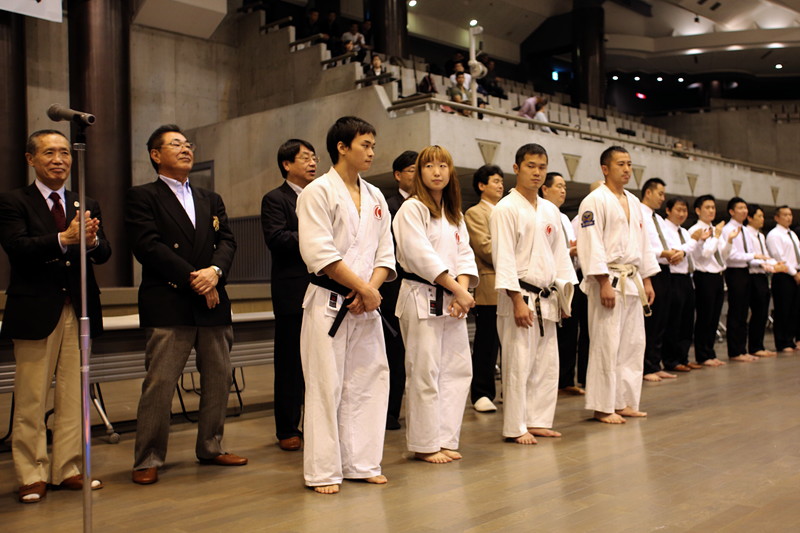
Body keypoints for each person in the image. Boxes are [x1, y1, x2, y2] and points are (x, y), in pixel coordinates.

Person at [126, 124, 246, 486]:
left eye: (188, 144)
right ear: (155, 154)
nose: (186, 149)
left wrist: (215, 272)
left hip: (213, 300)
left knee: (219, 378)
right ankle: (147, 456)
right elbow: (148, 246)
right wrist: (196, 279)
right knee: (160, 383)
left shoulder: (211, 198)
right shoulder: (142, 196)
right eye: (176, 144)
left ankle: (211, 445)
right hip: (170, 300)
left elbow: (227, 240)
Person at [0, 130, 110, 503]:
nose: (59, 159)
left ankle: (68, 468)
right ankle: (32, 474)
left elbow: (104, 251)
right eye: (50, 152)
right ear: (31, 159)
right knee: (31, 397)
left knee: (74, 395)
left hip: (78, 310)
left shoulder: (85, 201)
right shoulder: (14, 201)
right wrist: (64, 238)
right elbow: (17, 247)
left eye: (65, 152)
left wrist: (91, 240)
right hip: (35, 309)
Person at [296, 116, 394, 494]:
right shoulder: (317, 192)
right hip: (328, 301)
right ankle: (323, 471)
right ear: (342, 146)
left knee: (370, 381)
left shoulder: (376, 196)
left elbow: (386, 252)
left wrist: (370, 289)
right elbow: (318, 251)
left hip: (365, 303)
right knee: (326, 386)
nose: (371, 151)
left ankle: (362, 462)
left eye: (372, 145)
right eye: (365, 144)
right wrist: (362, 289)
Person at [393, 145, 477, 464]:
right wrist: (459, 290)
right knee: (424, 371)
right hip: (422, 297)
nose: (437, 171)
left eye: (443, 165)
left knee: (457, 370)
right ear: (419, 173)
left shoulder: (453, 214)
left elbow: (465, 255)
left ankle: (445, 437)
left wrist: (462, 292)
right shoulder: (411, 209)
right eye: (429, 166)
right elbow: (420, 256)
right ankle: (425, 443)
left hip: (453, 299)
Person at [492, 144, 577, 443]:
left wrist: (564, 298)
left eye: (542, 166)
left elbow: (561, 259)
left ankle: (538, 419)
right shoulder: (505, 208)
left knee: (546, 363)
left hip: (547, 298)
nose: (537, 172)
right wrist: (516, 300)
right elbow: (503, 257)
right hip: (520, 296)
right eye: (530, 166)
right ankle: (516, 426)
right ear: (516, 168)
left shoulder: (551, 210)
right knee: (518, 365)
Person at [576, 146, 659, 424]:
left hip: (633, 280)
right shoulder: (593, 201)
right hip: (608, 279)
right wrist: (602, 281)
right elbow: (591, 244)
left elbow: (643, 244)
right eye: (620, 164)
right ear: (605, 168)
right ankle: (603, 406)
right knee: (605, 344)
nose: (626, 169)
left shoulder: (634, 202)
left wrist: (646, 279)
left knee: (633, 344)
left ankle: (624, 401)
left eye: (629, 164)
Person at [260, 139, 318, 451]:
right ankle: (286, 428)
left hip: (324, 289)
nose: (312, 163)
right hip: (292, 292)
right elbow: (278, 238)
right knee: (290, 364)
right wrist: (317, 238)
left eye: (314, 158)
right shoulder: (275, 199)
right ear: (287, 164)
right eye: (305, 158)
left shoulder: (320, 196)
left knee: (319, 362)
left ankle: (315, 422)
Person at [540, 172, 588, 395]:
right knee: (554, 334)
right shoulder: (541, 214)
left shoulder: (565, 219)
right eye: (558, 186)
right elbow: (549, 249)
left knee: (571, 332)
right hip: (551, 281)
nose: (562, 191)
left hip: (572, 279)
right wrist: (571, 250)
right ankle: (553, 381)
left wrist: (574, 249)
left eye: (564, 187)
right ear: (545, 189)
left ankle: (567, 379)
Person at [381, 150, 418, 430]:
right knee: (394, 353)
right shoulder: (389, 205)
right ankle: (390, 411)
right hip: (395, 287)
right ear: (398, 175)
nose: (418, 175)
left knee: (419, 353)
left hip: (427, 290)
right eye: (412, 170)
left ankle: (418, 410)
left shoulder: (432, 205)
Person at [464, 165, 505, 413]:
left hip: (513, 284)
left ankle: (510, 390)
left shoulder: (507, 210)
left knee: (511, 344)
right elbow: (485, 248)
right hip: (490, 284)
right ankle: (481, 392)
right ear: (481, 185)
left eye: (502, 182)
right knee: (487, 342)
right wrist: (518, 256)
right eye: (495, 181)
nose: (500, 185)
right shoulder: (474, 213)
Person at [639, 178, 679, 382]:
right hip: (649, 269)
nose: (663, 198)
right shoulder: (639, 214)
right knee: (650, 319)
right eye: (660, 194)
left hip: (664, 268)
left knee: (663, 318)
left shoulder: (659, 219)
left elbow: (668, 244)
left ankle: (656, 362)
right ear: (648, 192)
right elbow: (641, 246)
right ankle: (646, 366)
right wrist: (662, 252)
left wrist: (675, 253)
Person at [688, 195, 734, 367]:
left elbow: (723, 254)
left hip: (718, 275)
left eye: (713, 207)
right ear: (698, 210)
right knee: (704, 316)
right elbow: (705, 253)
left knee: (715, 316)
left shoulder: (716, 231)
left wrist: (727, 240)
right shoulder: (695, 230)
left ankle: (710, 352)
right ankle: (702, 355)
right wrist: (716, 236)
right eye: (707, 207)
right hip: (703, 276)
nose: (711, 210)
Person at [661, 198, 703, 372]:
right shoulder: (663, 228)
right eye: (678, 210)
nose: (682, 214)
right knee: (673, 321)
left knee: (687, 320)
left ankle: (683, 357)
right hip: (672, 277)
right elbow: (676, 253)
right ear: (668, 210)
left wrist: (692, 243)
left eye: (685, 211)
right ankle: (671, 360)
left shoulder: (685, 232)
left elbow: (688, 252)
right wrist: (692, 242)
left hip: (687, 277)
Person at [721, 197, 764, 363]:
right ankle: (735, 351)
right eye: (740, 208)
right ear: (732, 211)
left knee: (744, 312)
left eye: (745, 208)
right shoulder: (727, 229)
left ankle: (742, 349)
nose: (744, 211)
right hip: (734, 272)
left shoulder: (745, 230)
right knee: (736, 311)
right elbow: (731, 256)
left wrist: (764, 262)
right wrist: (754, 256)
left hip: (745, 271)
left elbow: (751, 255)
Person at [744, 204, 779, 358]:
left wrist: (774, 264)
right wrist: (765, 263)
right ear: (749, 217)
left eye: (763, 216)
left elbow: (764, 255)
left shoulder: (761, 235)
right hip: (751, 274)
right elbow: (751, 256)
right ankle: (753, 346)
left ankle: (759, 345)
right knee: (755, 311)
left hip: (762, 274)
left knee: (763, 311)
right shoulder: (746, 233)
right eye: (759, 216)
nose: (762, 219)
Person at [766, 206, 800, 353]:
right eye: (785, 215)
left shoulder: (792, 234)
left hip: (796, 273)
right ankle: (783, 342)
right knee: (783, 309)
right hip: (783, 274)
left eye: (790, 215)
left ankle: (792, 339)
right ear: (777, 217)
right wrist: (793, 273)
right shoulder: (774, 235)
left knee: (795, 309)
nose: (788, 217)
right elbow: (779, 257)